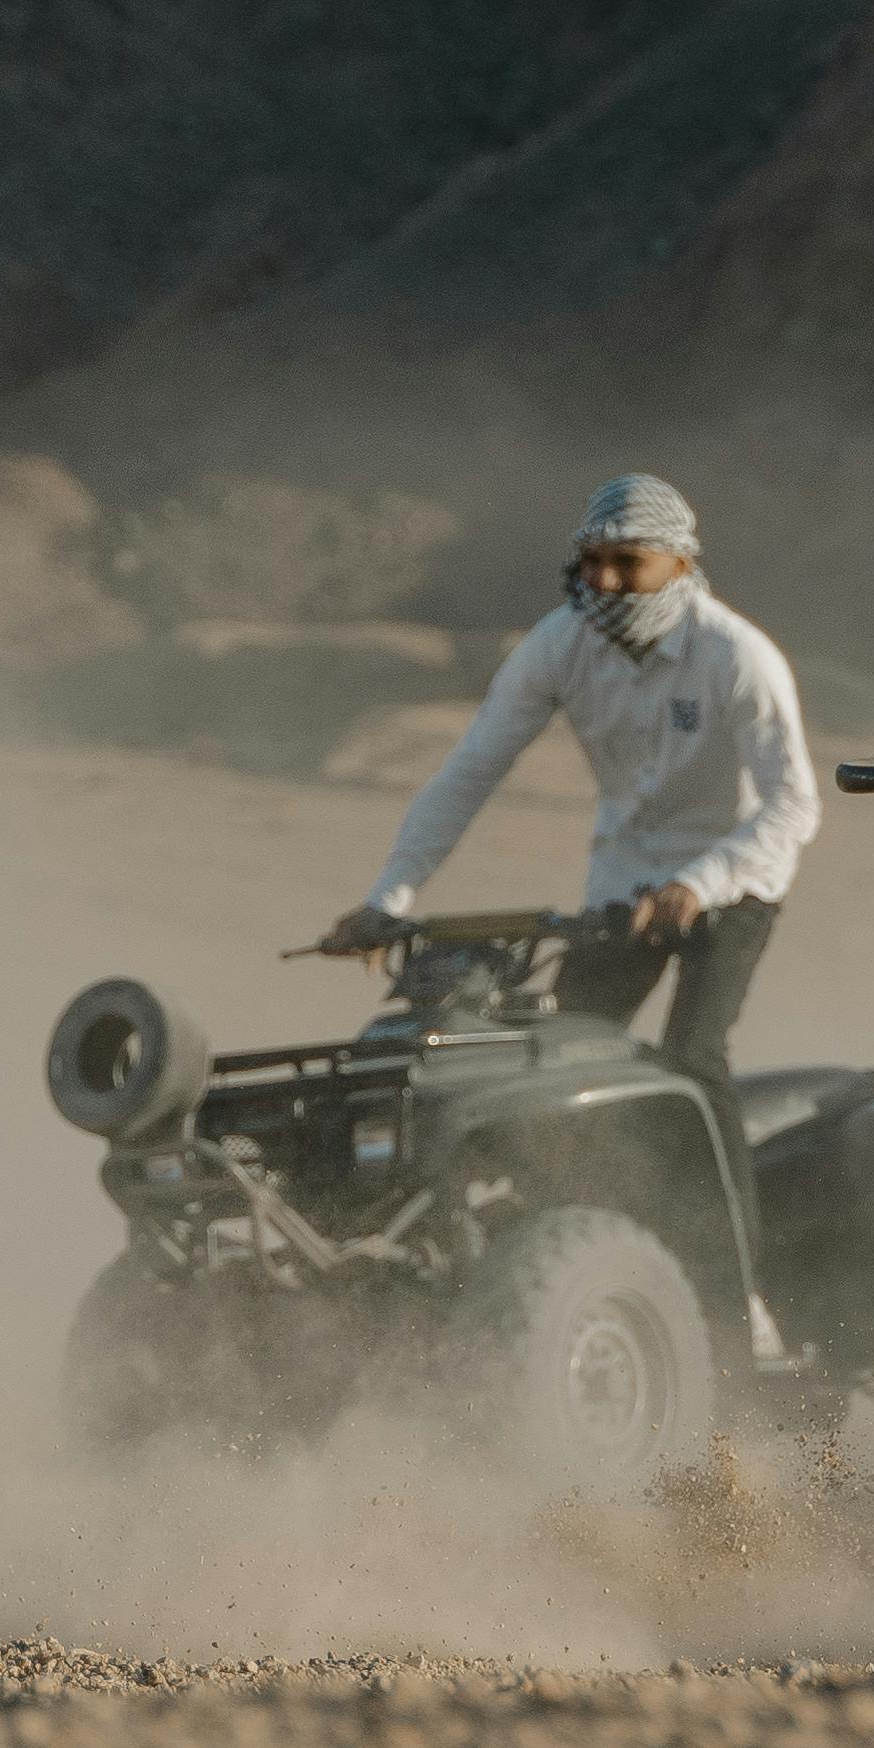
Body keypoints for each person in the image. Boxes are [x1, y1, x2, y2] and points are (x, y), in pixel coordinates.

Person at [324, 473, 821, 1345]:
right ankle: (585, 1253)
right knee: (561, 1060)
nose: (605, 584)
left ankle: (741, 1294)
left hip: (734, 874)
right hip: (623, 887)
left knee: (694, 1059)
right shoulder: (559, 645)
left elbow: (792, 808)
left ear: (681, 561)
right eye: (591, 564)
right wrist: (389, 896)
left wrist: (697, 886)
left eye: (628, 564)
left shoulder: (738, 655)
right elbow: (471, 769)